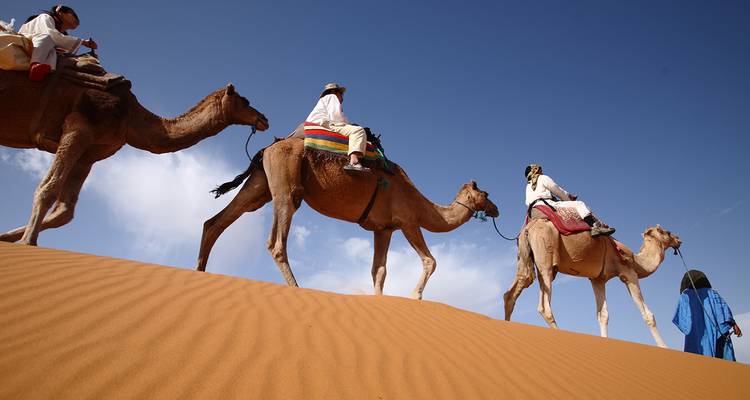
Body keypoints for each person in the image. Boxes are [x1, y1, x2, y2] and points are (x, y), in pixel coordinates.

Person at [524, 163, 615, 236]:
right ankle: (595, 227)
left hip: (533, 212)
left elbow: (527, 202)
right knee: (579, 204)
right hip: (544, 207)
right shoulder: (543, 178)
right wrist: (568, 198)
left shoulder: (528, 186)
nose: (542, 171)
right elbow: (557, 190)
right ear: (536, 170)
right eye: (540, 169)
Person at [672, 270, 742, 361]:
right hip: (717, 333)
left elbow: (682, 320)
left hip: (696, 334)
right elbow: (724, 311)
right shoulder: (712, 293)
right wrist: (734, 324)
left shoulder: (685, 296)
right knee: (724, 359)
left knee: (696, 359)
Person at [18, 5, 97, 81]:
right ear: (60, 12)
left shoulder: (61, 33)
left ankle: (44, 72)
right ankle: (35, 65)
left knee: (54, 51)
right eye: (73, 15)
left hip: (42, 47)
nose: (77, 20)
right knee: (46, 38)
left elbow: (58, 40)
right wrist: (83, 42)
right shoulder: (45, 17)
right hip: (26, 41)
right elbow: (51, 34)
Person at [306, 83, 370, 172]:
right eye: (341, 93)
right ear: (334, 92)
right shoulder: (332, 97)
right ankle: (354, 161)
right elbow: (336, 117)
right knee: (358, 131)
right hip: (326, 123)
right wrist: (350, 126)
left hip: (317, 123)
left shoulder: (323, 100)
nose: (342, 97)